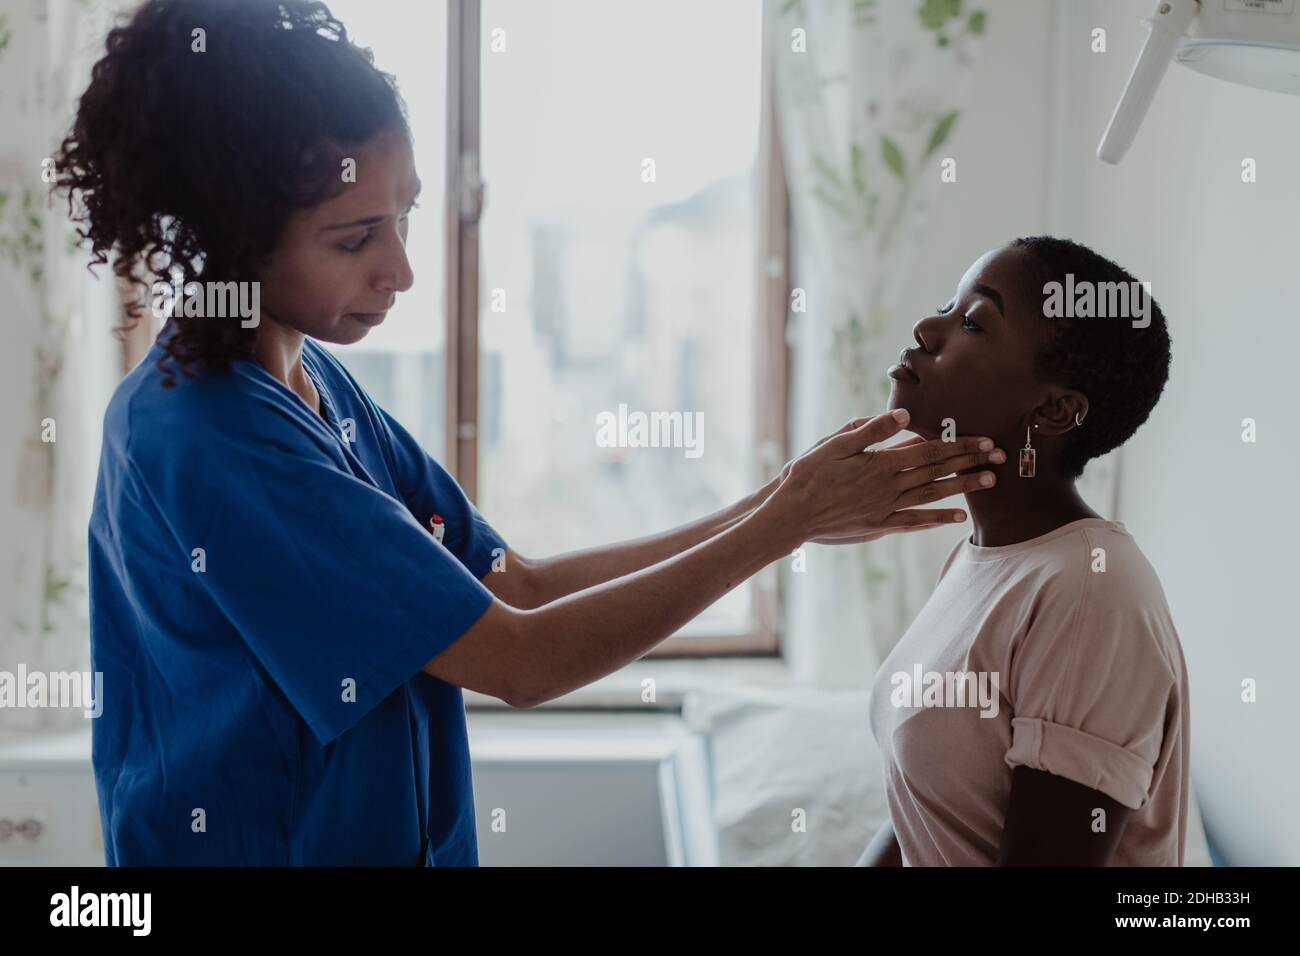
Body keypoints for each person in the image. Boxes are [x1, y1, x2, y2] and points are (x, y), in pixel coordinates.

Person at [58, 0, 1003, 865]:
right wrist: (781, 524)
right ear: (234, 236)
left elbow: (518, 583)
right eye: (355, 239)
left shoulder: (317, 385)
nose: (401, 270)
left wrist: (781, 504)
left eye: (405, 219)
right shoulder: (204, 437)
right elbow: (522, 657)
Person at [858, 237, 1189, 866]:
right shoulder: (978, 558)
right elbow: (921, 815)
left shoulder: (1093, 591)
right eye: (945, 308)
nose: (927, 329)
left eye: (973, 322)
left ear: (1055, 409)